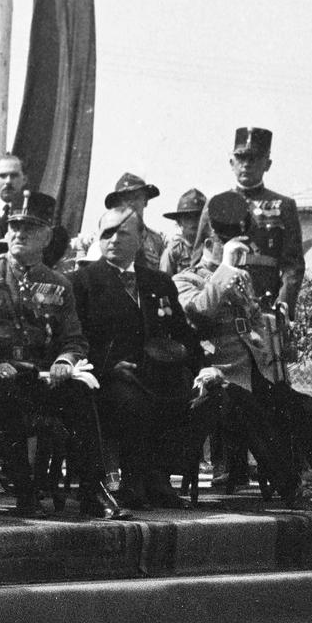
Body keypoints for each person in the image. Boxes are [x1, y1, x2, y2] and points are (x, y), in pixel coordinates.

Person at [177, 191, 312, 508]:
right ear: (207, 245)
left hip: (258, 376)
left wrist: (267, 330)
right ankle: (290, 491)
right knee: (250, 408)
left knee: (306, 408)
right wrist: (226, 270)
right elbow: (197, 314)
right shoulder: (186, 279)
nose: (240, 254)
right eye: (231, 246)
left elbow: (254, 323)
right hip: (218, 383)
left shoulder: (241, 279)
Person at [0, 190, 123, 520]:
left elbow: (74, 339)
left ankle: (92, 492)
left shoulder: (58, 284)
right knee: (7, 395)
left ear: (47, 236)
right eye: (14, 226)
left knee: (81, 395)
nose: (19, 233)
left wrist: (64, 361)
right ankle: (26, 493)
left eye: (30, 227)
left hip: (39, 377)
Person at [67, 207, 205, 510]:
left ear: (141, 238)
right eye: (107, 233)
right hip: (107, 377)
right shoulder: (82, 282)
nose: (113, 239)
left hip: (157, 373)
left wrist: (204, 371)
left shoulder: (158, 282)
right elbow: (75, 337)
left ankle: (159, 478)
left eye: (123, 232)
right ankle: (133, 484)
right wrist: (108, 366)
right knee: (133, 403)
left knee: (199, 399)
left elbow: (181, 332)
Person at [193, 127, 304, 317]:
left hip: (264, 306)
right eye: (241, 158)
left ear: (267, 164)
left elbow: (292, 266)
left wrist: (283, 307)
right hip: (221, 304)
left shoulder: (284, 206)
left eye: (254, 159)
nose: (246, 164)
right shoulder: (214, 205)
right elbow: (197, 260)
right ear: (231, 162)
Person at [103, 173, 166, 271]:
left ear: (145, 201)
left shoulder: (156, 240)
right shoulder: (105, 237)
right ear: (117, 204)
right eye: (125, 199)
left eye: (136, 197)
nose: (131, 203)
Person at [158, 189, 205, 276]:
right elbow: (163, 285)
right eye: (188, 217)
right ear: (179, 222)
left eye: (198, 216)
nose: (193, 222)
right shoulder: (173, 252)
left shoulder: (211, 248)